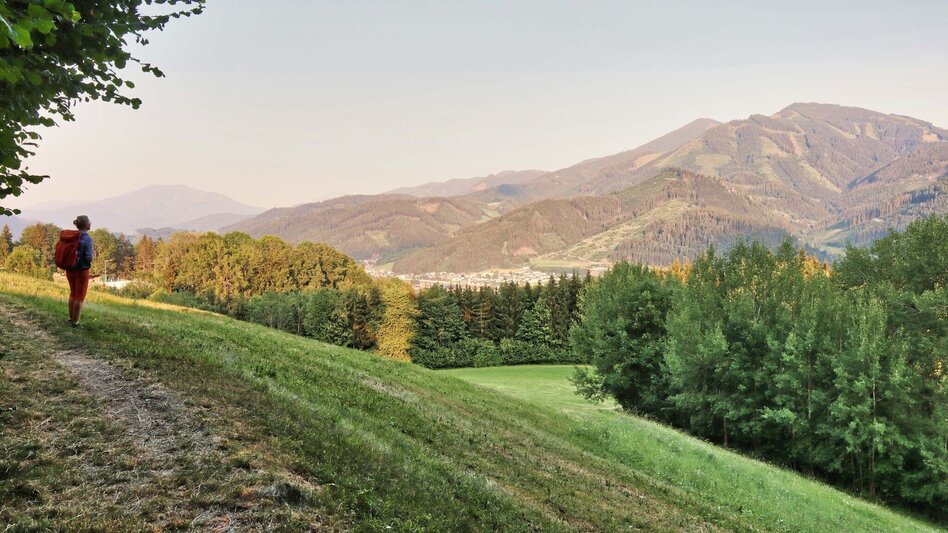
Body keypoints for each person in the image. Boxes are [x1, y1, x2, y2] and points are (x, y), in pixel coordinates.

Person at [66, 215, 95, 326]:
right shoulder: (87, 239)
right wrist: (91, 257)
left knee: (73, 293)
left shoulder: (72, 236)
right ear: (87, 225)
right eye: (89, 222)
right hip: (81, 270)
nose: (90, 223)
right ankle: (75, 321)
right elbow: (88, 257)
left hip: (69, 269)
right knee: (80, 296)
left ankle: (70, 318)